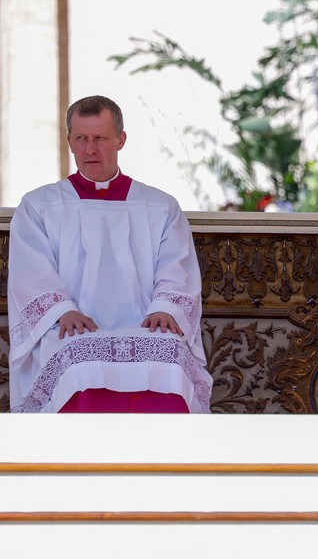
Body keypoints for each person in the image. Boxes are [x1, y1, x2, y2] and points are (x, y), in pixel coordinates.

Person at [7, 95, 212, 413]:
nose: (90, 149)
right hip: (69, 327)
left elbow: (176, 265)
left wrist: (165, 309)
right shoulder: (39, 206)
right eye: (81, 139)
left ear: (120, 139)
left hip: (147, 325)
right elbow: (31, 274)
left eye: (100, 138)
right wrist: (64, 311)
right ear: (69, 141)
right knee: (76, 353)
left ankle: (167, 457)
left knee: (170, 351)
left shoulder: (158, 206)